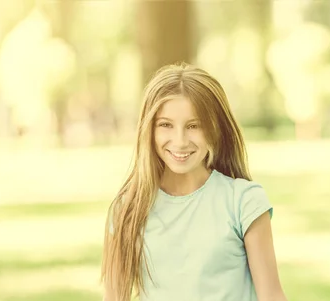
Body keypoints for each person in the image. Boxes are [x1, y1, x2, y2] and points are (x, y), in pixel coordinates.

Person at [100, 62, 287, 301]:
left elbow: (271, 296)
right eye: (165, 125)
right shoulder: (127, 210)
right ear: (149, 130)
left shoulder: (244, 202)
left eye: (194, 126)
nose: (180, 141)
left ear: (215, 129)